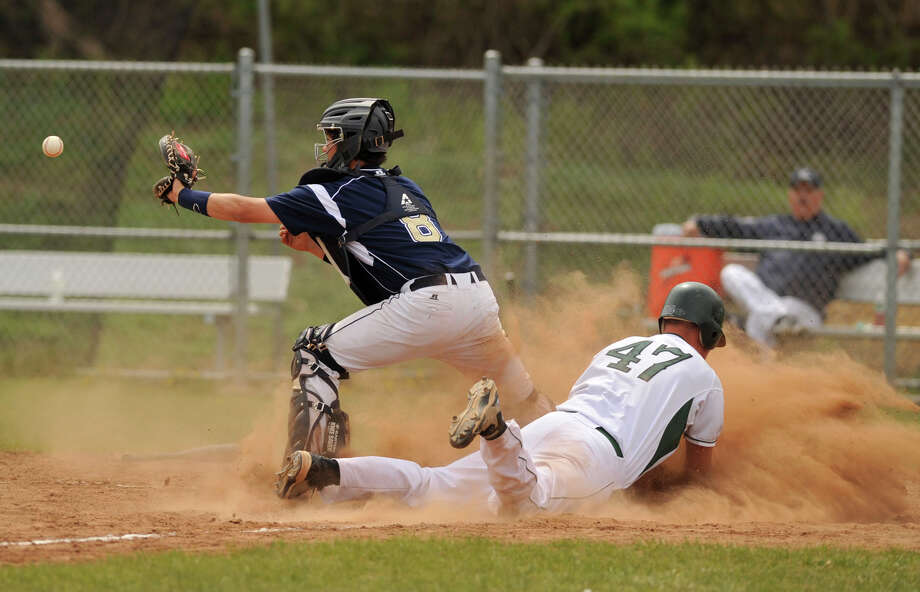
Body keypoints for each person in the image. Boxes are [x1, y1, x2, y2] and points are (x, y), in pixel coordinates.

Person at [156, 98, 552, 497]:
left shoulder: (330, 192)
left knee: (314, 351)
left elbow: (242, 210)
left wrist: (181, 195)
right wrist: (315, 248)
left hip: (430, 305)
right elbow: (387, 257)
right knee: (525, 399)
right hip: (477, 299)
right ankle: (582, 459)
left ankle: (310, 478)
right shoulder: (405, 187)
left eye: (331, 137)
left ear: (350, 143)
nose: (326, 146)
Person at [276, 281, 726, 514]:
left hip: (556, 425)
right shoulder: (704, 376)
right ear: (708, 333)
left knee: (434, 485)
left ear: (666, 320)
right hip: (595, 453)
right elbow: (699, 477)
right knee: (527, 507)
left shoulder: (620, 345)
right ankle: (495, 431)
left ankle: (326, 472)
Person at [682, 167, 911, 346]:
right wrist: (700, 223)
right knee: (731, 273)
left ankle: (766, 361)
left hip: (805, 312)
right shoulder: (775, 225)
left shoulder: (834, 230)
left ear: (820, 196)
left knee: (758, 318)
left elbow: (867, 251)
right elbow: (736, 227)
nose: (803, 196)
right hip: (769, 300)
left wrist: (900, 251)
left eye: (809, 190)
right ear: (790, 195)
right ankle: (776, 321)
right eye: (798, 190)